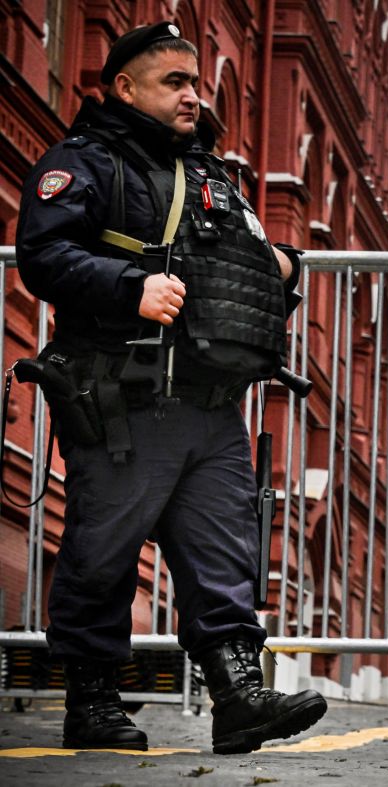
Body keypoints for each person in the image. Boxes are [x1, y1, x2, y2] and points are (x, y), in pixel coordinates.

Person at [15, 22, 326, 754]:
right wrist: (130, 286)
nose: (194, 95)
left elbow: (245, 263)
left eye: (195, 82)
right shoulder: (84, 164)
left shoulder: (212, 175)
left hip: (211, 406)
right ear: (125, 87)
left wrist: (282, 267)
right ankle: (91, 704)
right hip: (123, 396)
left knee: (223, 553)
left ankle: (239, 696)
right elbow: (44, 254)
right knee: (103, 552)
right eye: (174, 83)